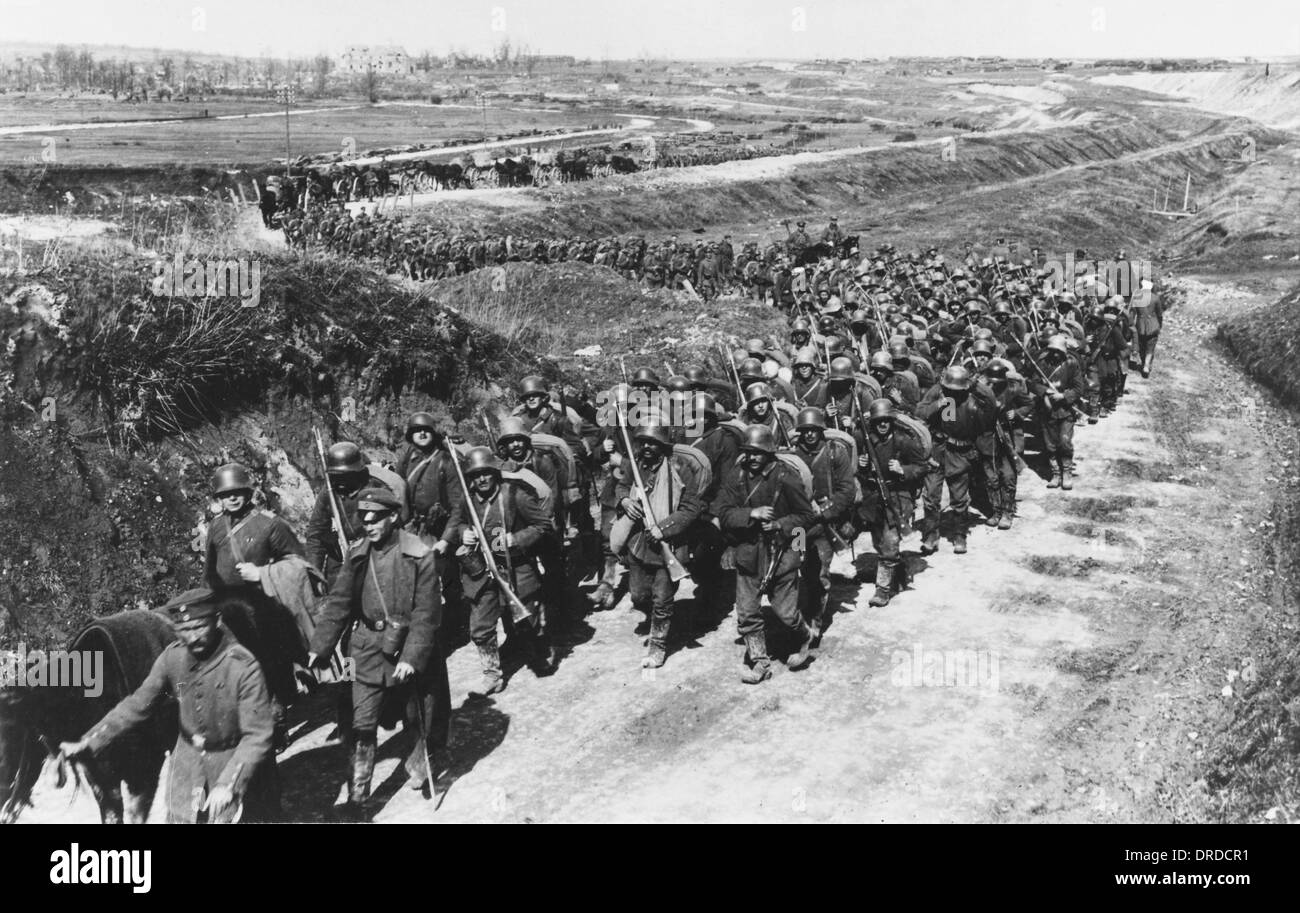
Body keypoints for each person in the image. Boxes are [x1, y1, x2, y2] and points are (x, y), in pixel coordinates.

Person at [61, 588, 279, 823]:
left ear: (217, 621)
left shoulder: (242, 666)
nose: (192, 638)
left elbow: (257, 735)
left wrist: (228, 783)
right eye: (184, 630)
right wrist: (89, 741)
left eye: (198, 627)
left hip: (230, 760)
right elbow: (137, 704)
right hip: (185, 766)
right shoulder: (172, 658)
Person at [308, 488, 451, 810]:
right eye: (364, 520)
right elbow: (340, 603)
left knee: (419, 714)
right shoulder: (358, 554)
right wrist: (320, 646)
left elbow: (427, 613)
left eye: (375, 520)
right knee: (363, 721)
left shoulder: (419, 553)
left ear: (393, 517)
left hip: (408, 648)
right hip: (368, 649)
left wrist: (413, 657)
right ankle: (358, 798)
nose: (369, 526)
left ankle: (420, 760)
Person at [440, 447, 555, 695]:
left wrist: (517, 538)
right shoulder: (467, 499)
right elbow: (457, 521)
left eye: (485, 474)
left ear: (494, 472)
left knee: (527, 622)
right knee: (480, 627)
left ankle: (537, 652)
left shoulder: (516, 495)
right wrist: (463, 533)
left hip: (515, 567)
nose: (480, 480)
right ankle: (492, 675)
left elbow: (543, 525)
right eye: (475, 475)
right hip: (480, 569)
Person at [715, 425, 817, 684]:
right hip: (748, 552)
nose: (751, 457)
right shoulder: (736, 476)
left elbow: (807, 516)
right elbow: (723, 512)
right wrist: (751, 514)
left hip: (782, 551)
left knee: (786, 613)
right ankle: (760, 662)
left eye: (757, 452)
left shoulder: (786, 477)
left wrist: (780, 524)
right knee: (747, 612)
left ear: (769, 453)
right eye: (748, 452)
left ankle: (805, 635)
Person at [614, 423, 706, 668]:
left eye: (652, 442)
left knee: (663, 598)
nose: (646, 447)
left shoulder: (680, 469)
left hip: (670, 545)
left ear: (663, 445)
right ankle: (655, 617)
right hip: (638, 542)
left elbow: (691, 509)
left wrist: (663, 528)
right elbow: (621, 485)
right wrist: (624, 500)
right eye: (643, 442)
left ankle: (658, 645)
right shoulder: (635, 465)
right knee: (638, 595)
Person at [853, 399, 928, 607]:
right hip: (874, 497)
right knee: (879, 542)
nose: (883, 425)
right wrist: (861, 465)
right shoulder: (865, 439)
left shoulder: (904, 440)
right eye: (879, 421)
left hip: (898, 495)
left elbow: (922, 467)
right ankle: (899, 571)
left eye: (886, 421)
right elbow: (855, 471)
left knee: (889, 542)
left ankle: (883, 589)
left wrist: (903, 469)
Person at [916, 365, 997, 555]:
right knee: (930, 497)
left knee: (959, 499)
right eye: (949, 388)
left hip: (960, 453)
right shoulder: (939, 391)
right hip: (937, 451)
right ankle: (930, 535)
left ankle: (960, 535)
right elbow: (919, 412)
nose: (952, 392)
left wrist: (974, 383)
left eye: (956, 389)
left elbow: (991, 403)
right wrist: (938, 405)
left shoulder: (973, 398)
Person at [792, 407, 855, 636]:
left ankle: (814, 621)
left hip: (824, 526)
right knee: (797, 567)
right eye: (805, 430)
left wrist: (825, 511)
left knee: (819, 574)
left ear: (821, 431)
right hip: (799, 527)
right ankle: (797, 616)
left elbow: (847, 490)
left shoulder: (835, 453)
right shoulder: (792, 455)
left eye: (814, 430)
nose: (810, 435)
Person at [1027, 334, 1084, 490]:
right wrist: (1045, 391)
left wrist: (1063, 396)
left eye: (1059, 351)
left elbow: (1079, 389)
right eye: (1053, 350)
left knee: (1065, 442)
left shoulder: (1072, 364)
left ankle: (1067, 473)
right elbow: (1032, 384)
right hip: (1046, 410)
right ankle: (1056, 473)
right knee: (1050, 445)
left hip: (1066, 411)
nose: (1056, 354)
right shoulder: (1042, 364)